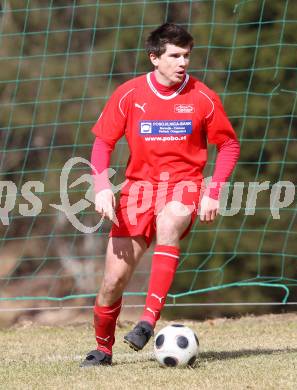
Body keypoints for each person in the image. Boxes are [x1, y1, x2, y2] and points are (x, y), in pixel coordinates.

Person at [81, 23, 240, 367]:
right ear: (154, 58)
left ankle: (148, 321)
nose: (183, 62)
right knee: (112, 282)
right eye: (175, 55)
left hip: (184, 185)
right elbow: (103, 143)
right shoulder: (129, 94)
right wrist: (102, 187)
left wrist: (213, 190)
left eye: (186, 56)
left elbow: (228, 144)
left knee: (170, 222)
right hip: (138, 190)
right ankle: (103, 349)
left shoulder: (203, 97)